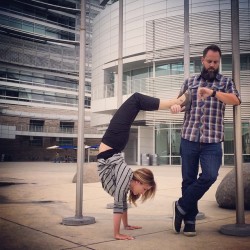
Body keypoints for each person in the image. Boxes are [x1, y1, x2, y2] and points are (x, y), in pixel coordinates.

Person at [97, 91, 191, 240]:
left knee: (136, 100)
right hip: (114, 146)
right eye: (145, 189)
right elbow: (122, 204)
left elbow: (118, 206)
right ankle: (177, 103)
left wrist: (117, 234)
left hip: (112, 143)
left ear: (138, 181)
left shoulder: (124, 178)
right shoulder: (126, 181)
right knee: (136, 102)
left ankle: (176, 102)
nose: (142, 193)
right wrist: (126, 226)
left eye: (144, 189)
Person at [170, 44, 241, 237]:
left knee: (209, 175)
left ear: (219, 63)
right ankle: (190, 221)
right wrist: (176, 108)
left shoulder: (225, 82)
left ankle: (181, 206)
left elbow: (235, 100)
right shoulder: (190, 81)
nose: (212, 65)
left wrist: (213, 93)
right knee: (188, 180)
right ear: (202, 60)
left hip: (212, 141)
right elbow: (180, 103)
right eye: (209, 61)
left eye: (215, 62)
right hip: (189, 138)